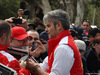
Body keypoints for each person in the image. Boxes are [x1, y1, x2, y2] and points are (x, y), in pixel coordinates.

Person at [26, 9, 83, 75]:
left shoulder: (63, 47)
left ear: (58, 25)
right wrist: (29, 63)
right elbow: (44, 66)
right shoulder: (61, 43)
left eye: (48, 26)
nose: (46, 30)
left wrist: (34, 68)